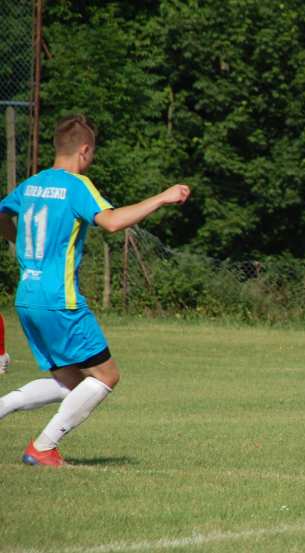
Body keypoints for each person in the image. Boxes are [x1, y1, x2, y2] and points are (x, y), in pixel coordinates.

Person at [0, 114, 190, 466]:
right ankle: (43, 447)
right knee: (106, 376)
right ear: (84, 150)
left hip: (27, 299)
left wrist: (20, 242)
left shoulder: (31, 185)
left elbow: (1, 214)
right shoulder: (77, 185)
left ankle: (5, 407)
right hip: (61, 301)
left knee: (72, 382)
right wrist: (162, 197)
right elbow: (113, 222)